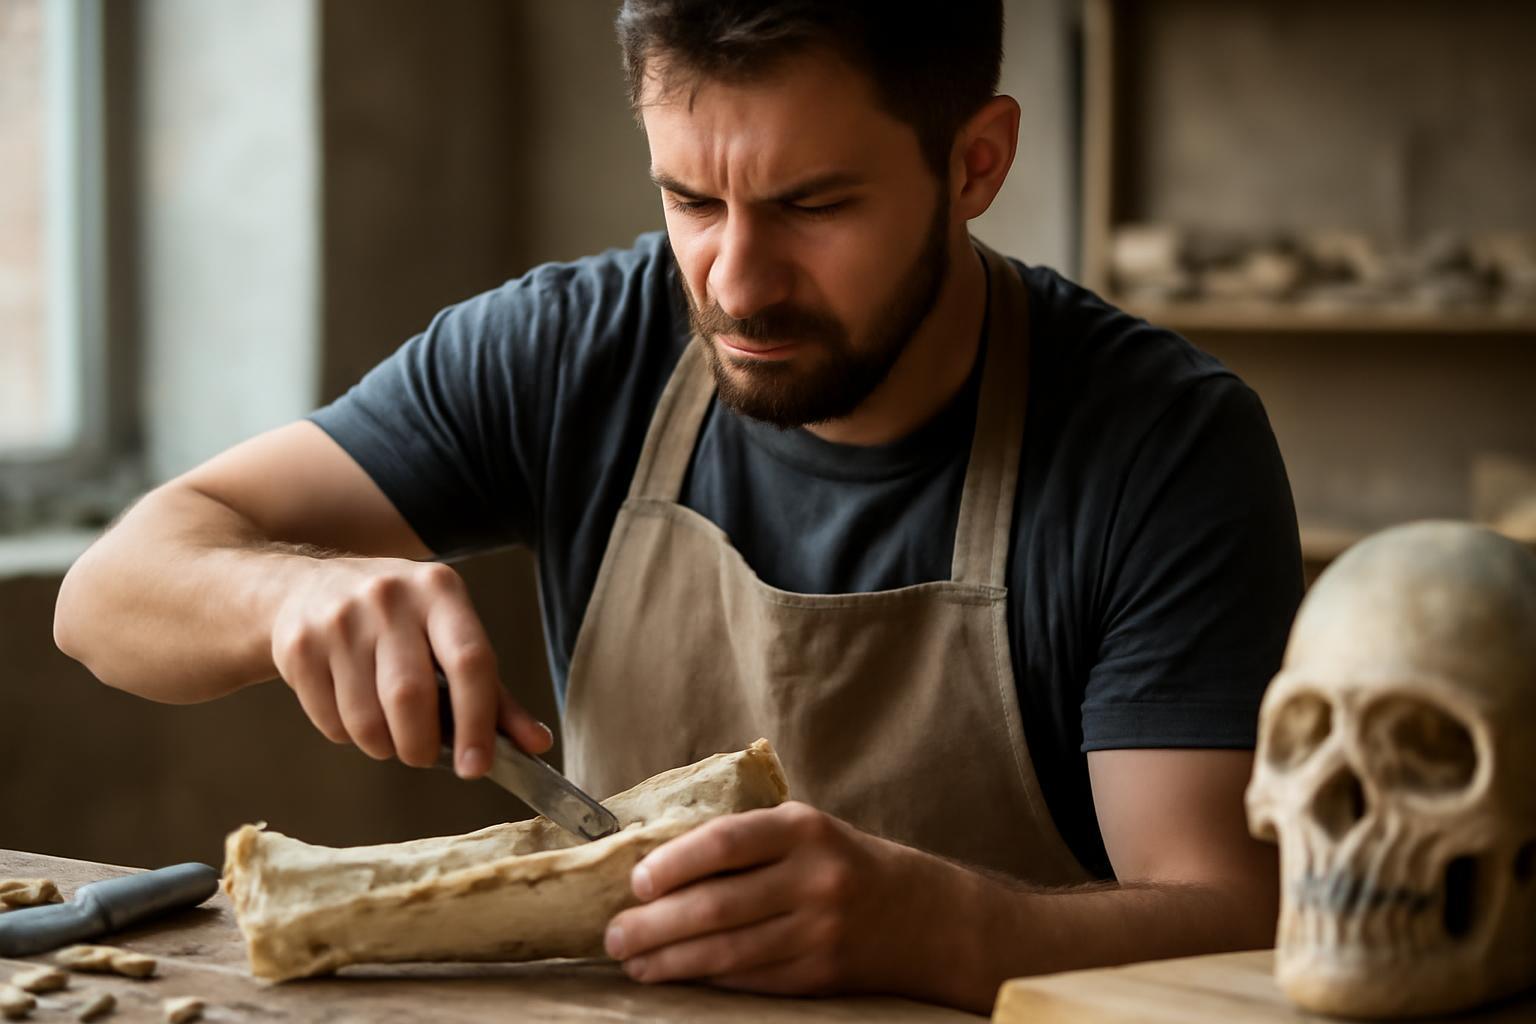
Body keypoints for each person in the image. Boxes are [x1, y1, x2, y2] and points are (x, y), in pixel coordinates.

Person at [55, 1, 1303, 1012]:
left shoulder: (1162, 446)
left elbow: (1236, 919)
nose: (738, 284)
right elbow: (106, 600)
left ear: (974, 163)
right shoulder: (567, 350)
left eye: (814, 206)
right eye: (691, 202)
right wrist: (293, 591)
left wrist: (957, 926)